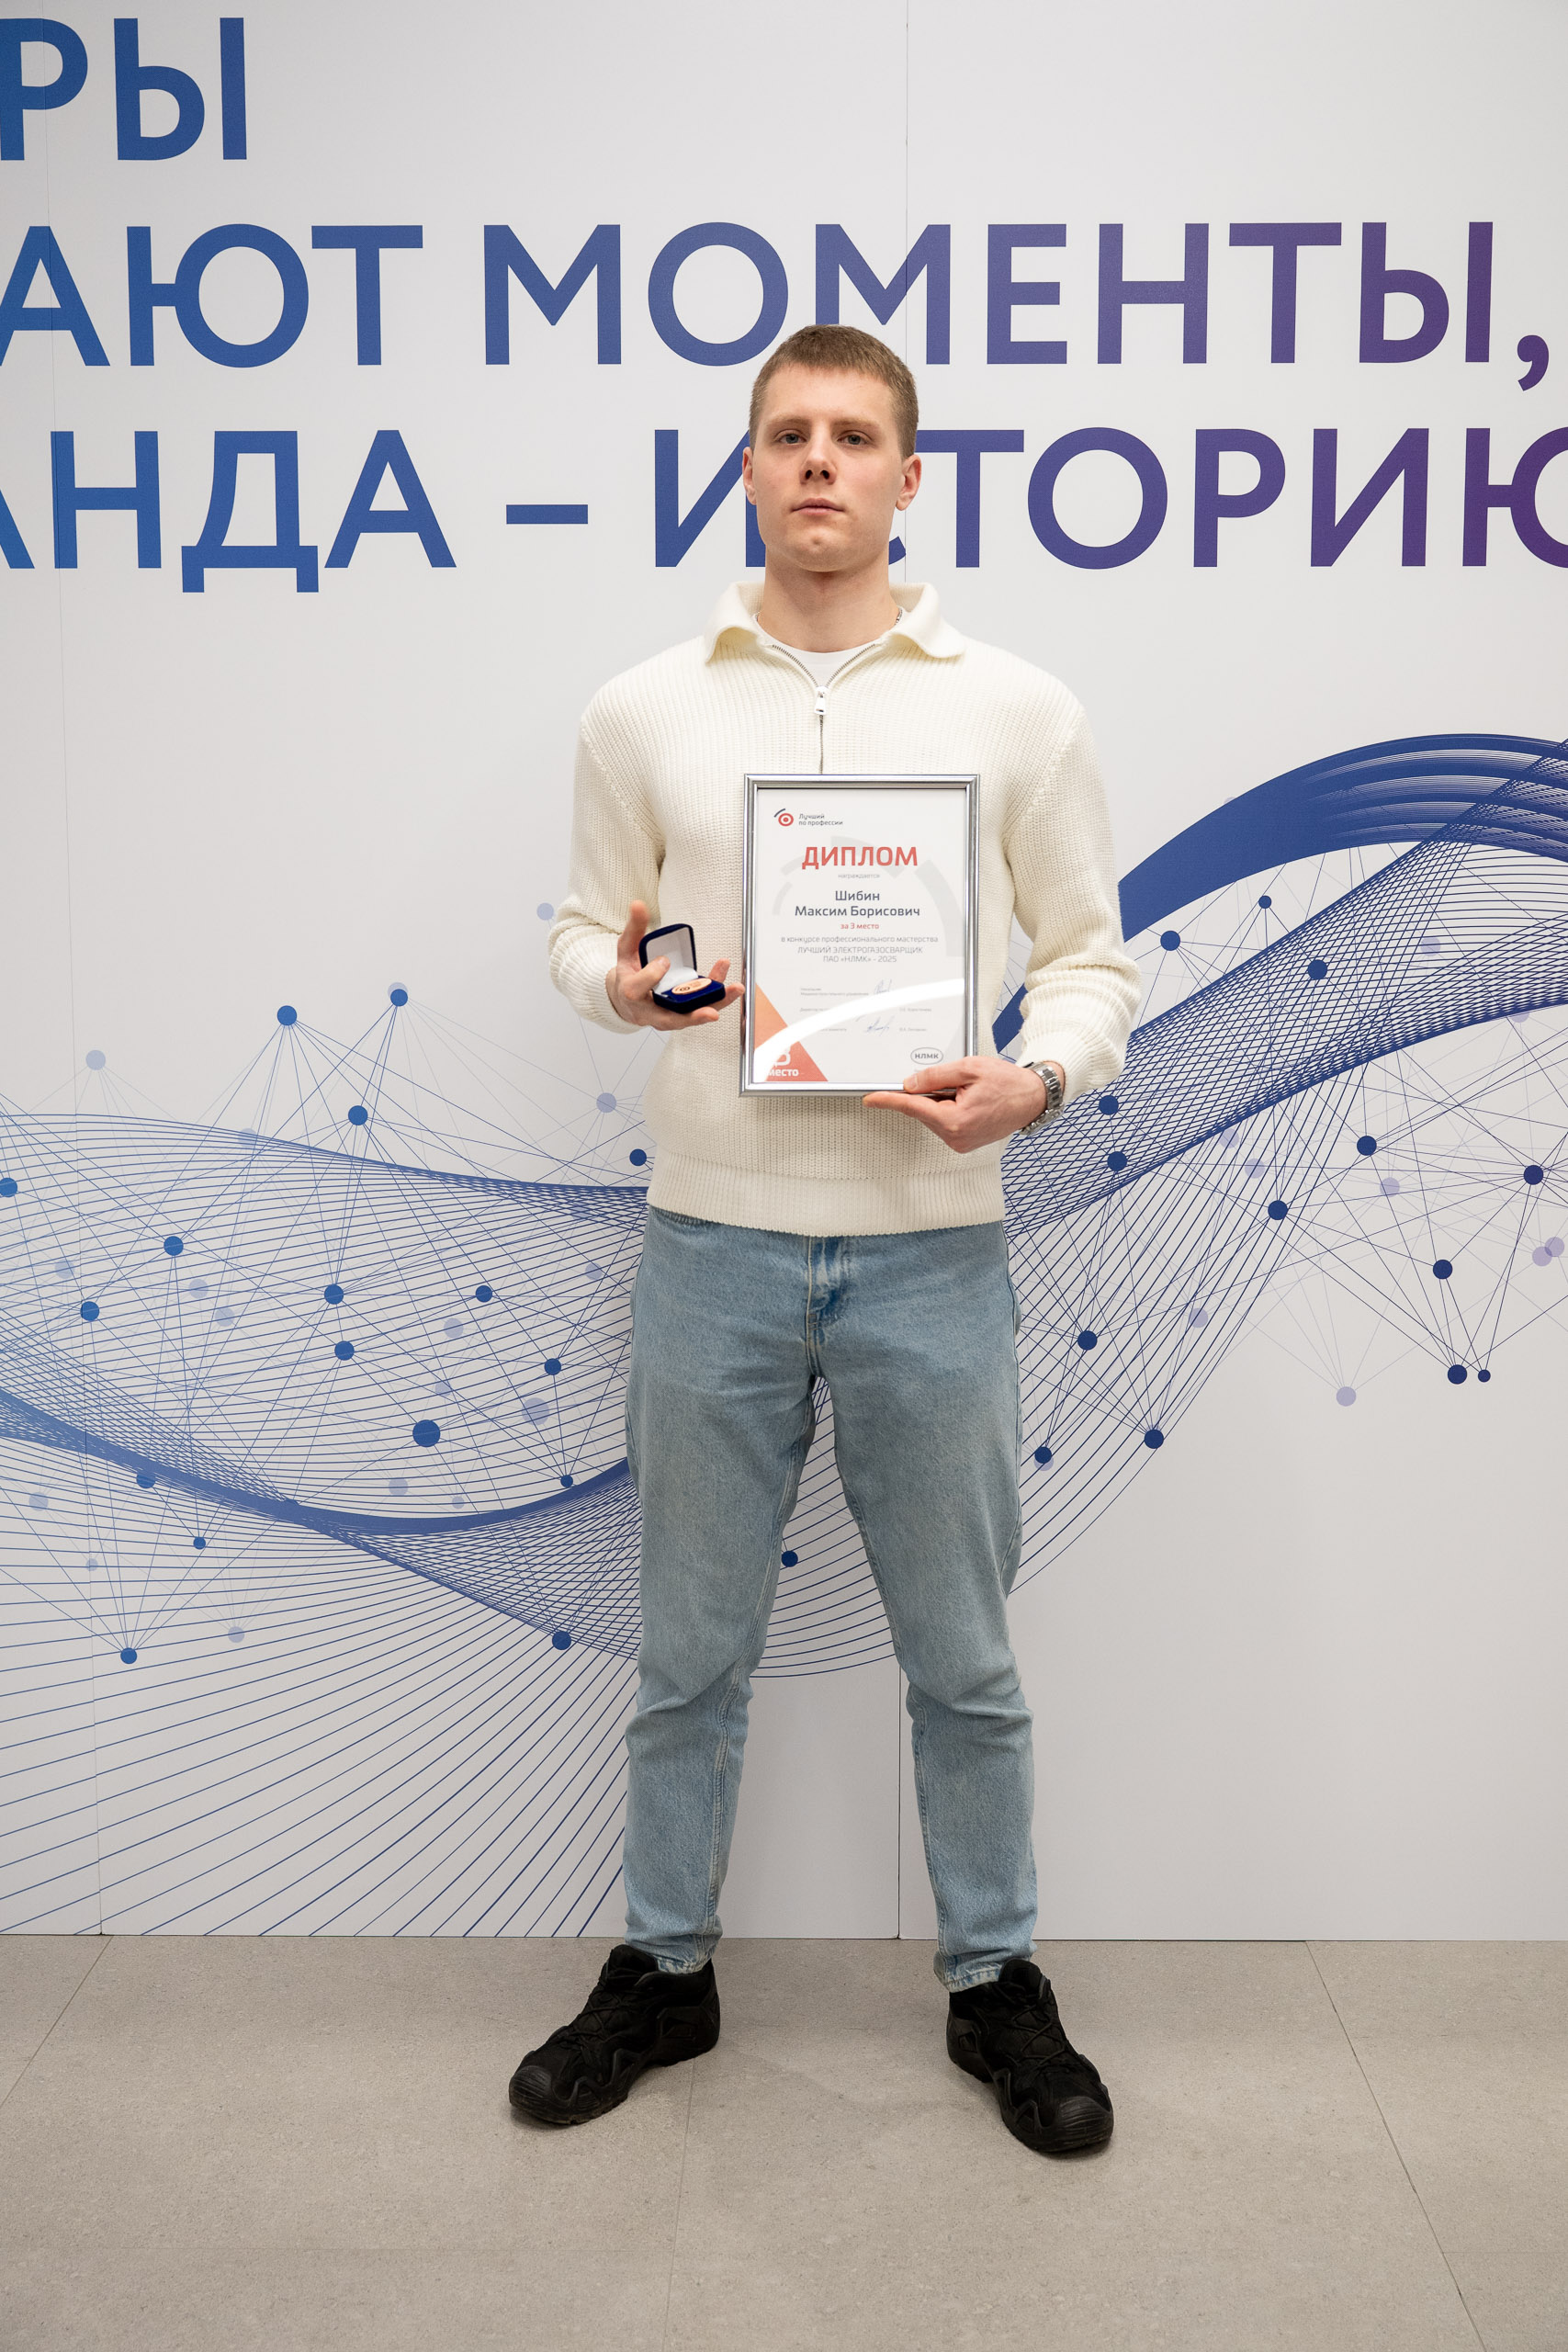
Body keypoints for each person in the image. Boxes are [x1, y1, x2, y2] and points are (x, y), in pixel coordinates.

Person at [510, 323, 1140, 2156]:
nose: (816, 462)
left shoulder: (1017, 712)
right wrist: (624, 985)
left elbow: (1090, 961)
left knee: (964, 1655)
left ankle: (995, 1976)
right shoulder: (642, 712)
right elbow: (579, 931)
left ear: (906, 476)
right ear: (746, 465)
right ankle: (664, 1966)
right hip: (711, 1240)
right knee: (690, 1651)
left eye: (853, 436)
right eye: (787, 432)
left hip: (931, 1243)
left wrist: (1034, 1077)